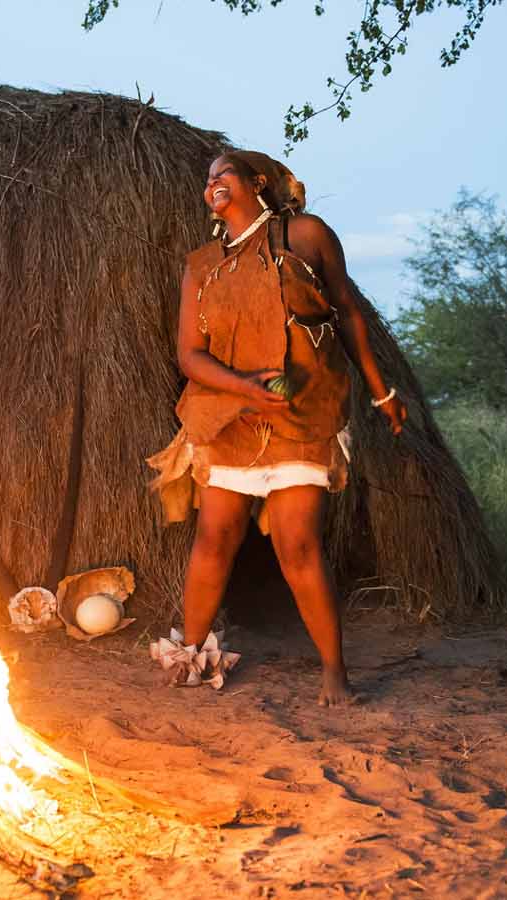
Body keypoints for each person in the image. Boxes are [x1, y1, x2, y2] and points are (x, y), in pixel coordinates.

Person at [146, 150, 408, 707]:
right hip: (230, 417)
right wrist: (243, 387)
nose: (212, 183)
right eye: (207, 179)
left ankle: (334, 671)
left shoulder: (305, 235)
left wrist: (382, 389)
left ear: (256, 182)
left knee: (298, 546)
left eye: (223, 174)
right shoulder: (201, 265)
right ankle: (192, 655)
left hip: (302, 412)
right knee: (214, 538)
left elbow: (348, 312)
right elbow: (190, 355)